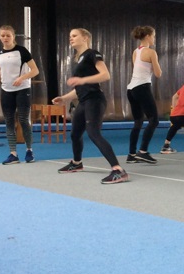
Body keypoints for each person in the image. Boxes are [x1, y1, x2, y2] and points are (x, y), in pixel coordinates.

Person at [52, 28, 129, 184]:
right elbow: (79, 89)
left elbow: (105, 75)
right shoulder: (78, 59)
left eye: (74, 36)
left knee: (93, 133)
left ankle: (118, 170)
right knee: (75, 134)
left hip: (94, 100)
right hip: (84, 101)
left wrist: (82, 80)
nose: (71, 38)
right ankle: (76, 163)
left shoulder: (92, 54)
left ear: (85, 38)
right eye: (70, 36)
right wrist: (64, 98)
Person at [0, 25, 39, 165]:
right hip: (6, 90)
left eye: (8, 35)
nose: (5, 38)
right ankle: (13, 154)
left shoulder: (22, 51)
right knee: (9, 121)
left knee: (23, 120)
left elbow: (35, 70)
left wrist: (22, 78)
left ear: (13, 36)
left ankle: (29, 150)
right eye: (2, 35)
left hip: (22, 89)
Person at [125, 25, 162, 164]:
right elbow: (158, 74)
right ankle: (143, 151)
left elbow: (137, 69)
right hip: (142, 87)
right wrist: (154, 65)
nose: (154, 39)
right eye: (153, 36)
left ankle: (131, 154)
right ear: (147, 36)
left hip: (131, 89)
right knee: (154, 120)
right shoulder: (151, 52)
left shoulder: (135, 52)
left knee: (138, 122)